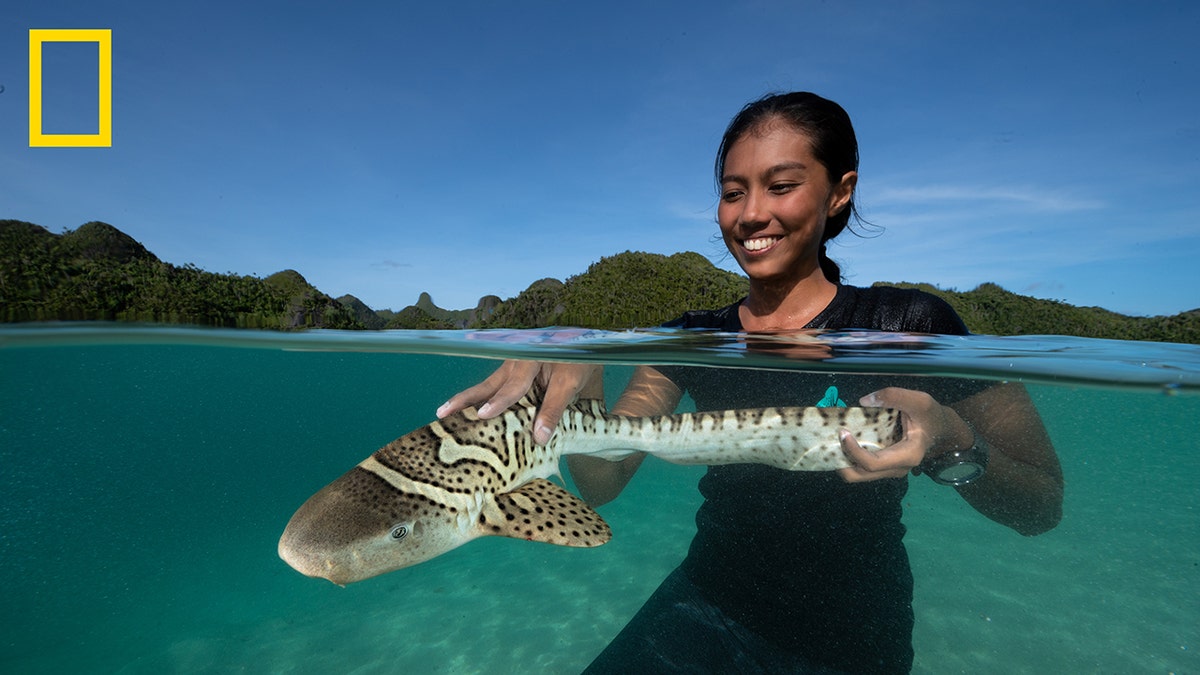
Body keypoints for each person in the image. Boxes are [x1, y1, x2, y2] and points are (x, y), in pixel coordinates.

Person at [437, 92, 1064, 674]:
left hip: (855, 636)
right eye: (733, 192)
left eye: (781, 185)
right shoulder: (690, 341)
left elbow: (1040, 506)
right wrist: (586, 375)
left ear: (840, 192)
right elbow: (601, 485)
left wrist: (951, 436)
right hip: (707, 601)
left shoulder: (913, 327)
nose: (751, 213)